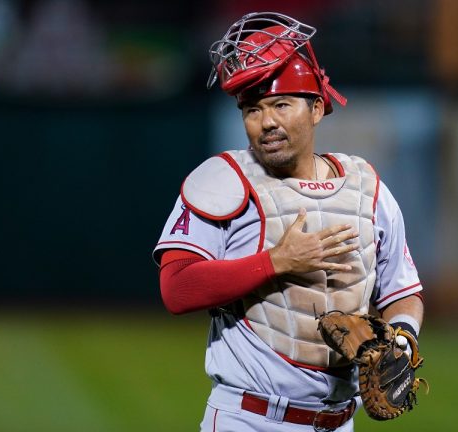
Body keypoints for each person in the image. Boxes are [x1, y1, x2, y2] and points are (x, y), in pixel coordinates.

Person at [153, 12, 424, 432]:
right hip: (247, 418)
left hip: (337, 422)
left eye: (281, 104)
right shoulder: (224, 181)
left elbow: (403, 292)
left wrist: (402, 341)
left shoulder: (368, 190)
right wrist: (276, 262)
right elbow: (176, 288)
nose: (267, 122)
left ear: (316, 108)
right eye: (252, 109)